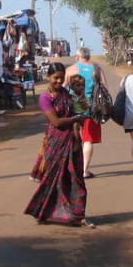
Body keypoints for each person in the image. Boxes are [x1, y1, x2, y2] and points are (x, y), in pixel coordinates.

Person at [24, 62, 93, 227]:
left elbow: (78, 109)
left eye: (62, 78)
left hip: (73, 141)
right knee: (53, 180)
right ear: (48, 77)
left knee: (75, 179)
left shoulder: (66, 94)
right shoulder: (45, 98)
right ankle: (44, 212)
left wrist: (80, 119)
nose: (58, 81)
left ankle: (77, 214)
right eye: (55, 78)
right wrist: (76, 119)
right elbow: (56, 122)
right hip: (55, 143)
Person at [63, 46, 108, 178]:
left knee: (73, 138)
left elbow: (64, 87)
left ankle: (71, 168)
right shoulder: (97, 68)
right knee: (87, 140)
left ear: (78, 56)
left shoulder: (71, 69)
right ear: (89, 56)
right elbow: (105, 87)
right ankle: (84, 170)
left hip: (73, 109)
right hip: (92, 109)